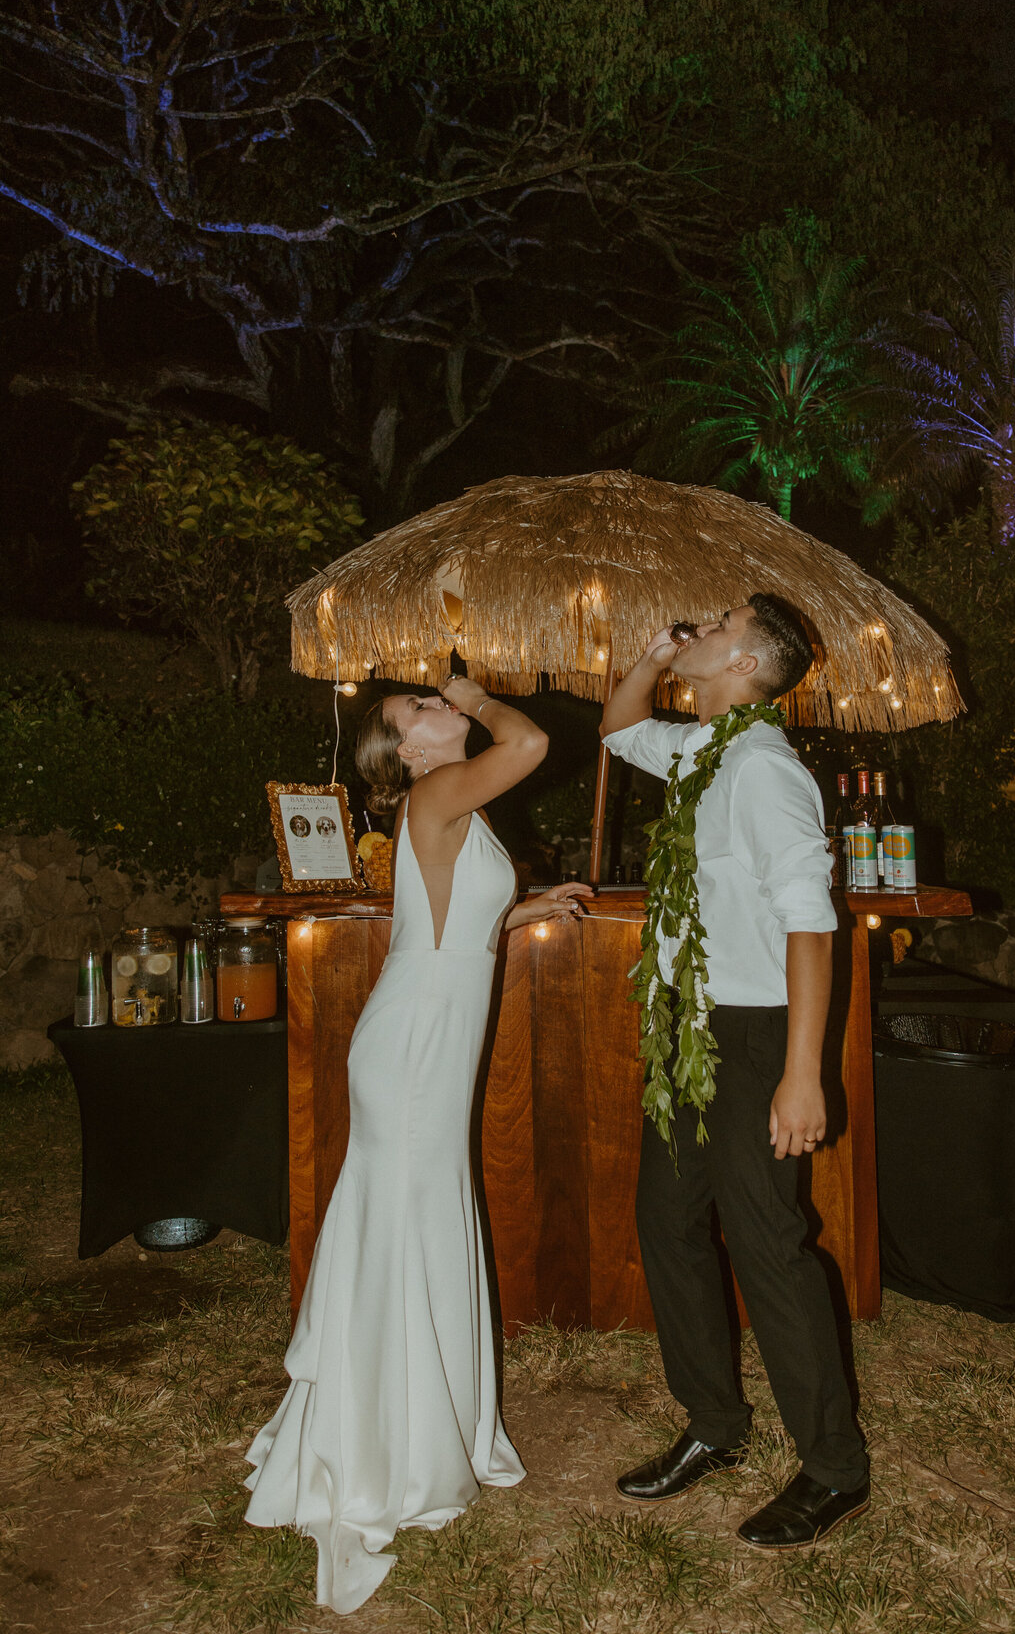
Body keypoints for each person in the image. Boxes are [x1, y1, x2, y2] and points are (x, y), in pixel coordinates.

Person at [244, 678, 592, 1614]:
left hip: (424, 1038)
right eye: (421, 710)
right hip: (412, 1050)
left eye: (436, 703)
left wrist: (525, 910)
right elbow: (527, 745)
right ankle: (382, 1443)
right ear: (410, 750)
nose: (441, 708)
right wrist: (479, 696)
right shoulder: (441, 789)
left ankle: (407, 1415)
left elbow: (445, 925)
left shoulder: (445, 802)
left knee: (425, 1216)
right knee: (408, 1219)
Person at [600, 594, 870, 1550]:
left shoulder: (763, 770)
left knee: (767, 1245)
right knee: (667, 1225)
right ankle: (715, 1424)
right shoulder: (704, 749)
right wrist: (648, 653)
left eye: (716, 623)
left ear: (747, 660)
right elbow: (621, 728)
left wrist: (805, 1074)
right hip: (687, 1024)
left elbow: (811, 925)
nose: (698, 624)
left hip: (755, 1034)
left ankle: (835, 1469)